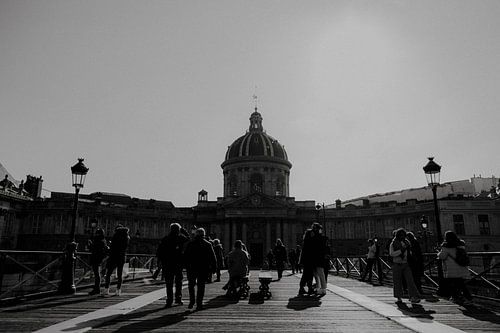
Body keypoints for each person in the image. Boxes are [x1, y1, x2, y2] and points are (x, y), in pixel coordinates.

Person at [184, 228, 217, 310]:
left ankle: (192, 301)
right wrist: (214, 268)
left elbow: (185, 256)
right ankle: (199, 303)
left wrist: (185, 266)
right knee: (201, 286)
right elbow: (213, 258)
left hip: (192, 268)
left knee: (191, 285)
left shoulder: (190, 244)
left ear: (196, 235)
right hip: (203, 268)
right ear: (204, 235)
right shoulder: (208, 244)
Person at [157, 223, 189, 307]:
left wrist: (162, 262)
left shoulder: (165, 239)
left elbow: (159, 252)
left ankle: (169, 300)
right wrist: (184, 232)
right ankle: (178, 298)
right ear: (178, 230)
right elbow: (188, 239)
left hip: (167, 264)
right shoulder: (181, 238)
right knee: (179, 282)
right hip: (178, 263)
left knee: (169, 283)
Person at [438, 231, 472, 305]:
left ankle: (462, 298)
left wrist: (439, 252)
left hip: (451, 269)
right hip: (461, 267)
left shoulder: (446, 246)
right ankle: (461, 297)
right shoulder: (460, 244)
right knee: (461, 284)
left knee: (453, 284)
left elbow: (442, 256)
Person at [389, 228, 421, 304]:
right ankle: (399, 297)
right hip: (397, 264)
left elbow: (409, 252)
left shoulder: (407, 242)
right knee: (397, 281)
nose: (403, 237)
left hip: (405, 264)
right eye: (401, 235)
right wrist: (401, 251)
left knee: (410, 280)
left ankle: (413, 296)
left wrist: (409, 255)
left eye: (404, 235)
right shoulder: (393, 243)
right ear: (398, 236)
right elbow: (391, 254)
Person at [103, 225, 130, 296]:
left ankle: (106, 289)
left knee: (108, 273)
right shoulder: (127, 237)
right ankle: (118, 290)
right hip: (121, 257)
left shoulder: (116, 236)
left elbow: (113, 247)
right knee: (120, 274)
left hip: (114, 256)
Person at [88, 228, 108, 295]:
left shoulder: (98, 240)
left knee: (97, 274)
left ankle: (97, 288)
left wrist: (90, 244)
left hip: (96, 258)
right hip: (100, 258)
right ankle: (97, 288)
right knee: (97, 274)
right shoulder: (103, 240)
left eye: (97, 233)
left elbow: (93, 249)